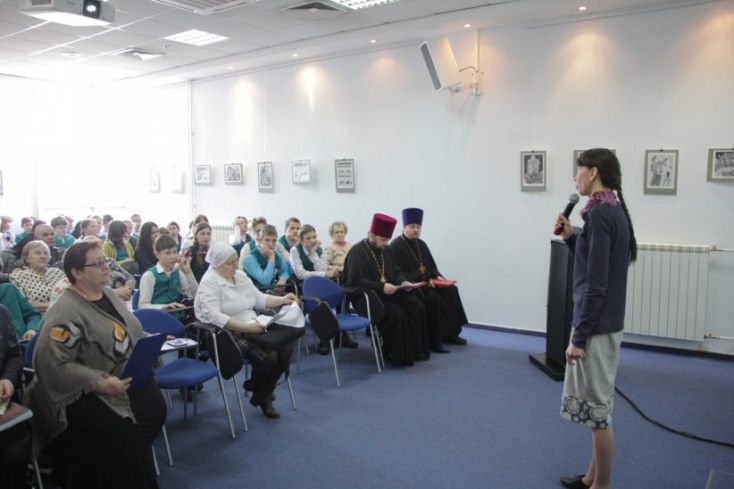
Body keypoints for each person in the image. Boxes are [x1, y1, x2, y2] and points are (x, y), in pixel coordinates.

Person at [23, 241, 167, 489]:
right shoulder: (65, 311)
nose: (106, 267)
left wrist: (148, 338)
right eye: (97, 263)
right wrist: (97, 381)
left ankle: (126, 469)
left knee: (153, 411)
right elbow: (51, 363)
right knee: (124, 435)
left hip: (121, 376)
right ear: (77, 272)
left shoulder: (108, 294)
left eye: (106, 261)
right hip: (80, 391)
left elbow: (128, 329)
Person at [554, 148, 637, 489]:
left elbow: (596, 284)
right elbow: (592, 265)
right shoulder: (608, 209)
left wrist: (578, 338)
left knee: (599, 414)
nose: (575, 178)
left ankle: (601, 484)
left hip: (597, 328)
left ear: (593, 172)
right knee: (595, 410)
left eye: (579, 170)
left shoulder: (601, 215)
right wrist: (570, 237)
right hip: (605, 324)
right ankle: (592, 477)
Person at [194, 243, 299, 419]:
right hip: (227, 332)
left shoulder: (240, 276)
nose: (236, 265)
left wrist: (282, 300)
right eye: (230, 263)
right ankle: (263, 394)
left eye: (236, 260)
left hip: (253, 323)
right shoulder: (209, 283)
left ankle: (260, 390)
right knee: (271, 356)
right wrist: (246, 327)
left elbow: (259, 299)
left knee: (286, 346)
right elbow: (214, 316)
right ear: (217, 264)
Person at [342, 213, 430, 366]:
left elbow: (396, 272)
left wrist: (404, 282)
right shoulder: (357, 252)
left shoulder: (386, 250)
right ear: (371, 235)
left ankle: (416, 352)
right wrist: (381, 287)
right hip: (366, 297)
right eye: (383, 239)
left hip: (389, 293)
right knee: (397, 313)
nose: (386, 243)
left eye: (388, 239)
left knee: (416, 306)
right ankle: (394, 354)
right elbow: (353, 281)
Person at [390, 208, 467, 346]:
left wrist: (437, 276)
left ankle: (452, 333)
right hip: (414, 287)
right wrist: (424, 281)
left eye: (418, 227)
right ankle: (434, 339)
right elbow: (398, 274)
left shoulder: (421, 244)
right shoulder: (396, 246)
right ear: (404, 227)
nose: (416, 230)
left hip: (429, 283)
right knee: (434, 299)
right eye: (412, 226)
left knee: (451, 290)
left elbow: (430, 266)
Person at [0, 304, 32, 489]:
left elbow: (14, 355)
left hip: (3, 409)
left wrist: (8, 379)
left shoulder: (1, 313)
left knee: (16, 445)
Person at [138, 235, 197, 310]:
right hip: (156, 315)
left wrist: (188, 272)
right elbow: (142, 306)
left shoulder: (177, 272)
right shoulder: (149, 275)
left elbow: (194, 295)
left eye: (175, 252)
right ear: (157, 254)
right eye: (168, 253)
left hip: (176, 313)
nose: (173, 256)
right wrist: (164, 306)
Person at [9, 240, 66, 314]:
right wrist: (55, 305)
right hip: (37, 316)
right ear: (26, 258)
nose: (43, 256)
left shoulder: (58, 273)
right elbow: (24, 305)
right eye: (37, 253)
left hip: (65, 313)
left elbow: (70, 295)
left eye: (45, 253)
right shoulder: (18, 277)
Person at [243, 224, 292, 291]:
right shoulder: (250, 258)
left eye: (274, 241)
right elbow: (265, 281)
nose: (271, 244)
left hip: (272, 292)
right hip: (254, 293)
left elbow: (286, 271)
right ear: (260, 240)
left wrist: (283, 279)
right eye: (267, 240)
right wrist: (271, 257)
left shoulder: (277, 255)